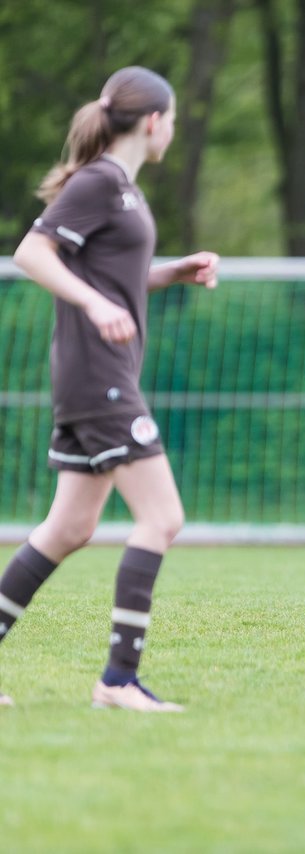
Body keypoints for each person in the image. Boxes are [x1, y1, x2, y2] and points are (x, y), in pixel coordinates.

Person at [0, 67, 219, 711]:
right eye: (172, 119)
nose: (172, 131)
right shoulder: (99, 182)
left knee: (69, 527)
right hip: (100, 380)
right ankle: (118, 681)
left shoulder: (122, 191)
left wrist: (172, 272)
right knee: (163, 517)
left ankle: (114, 682)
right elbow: (31, 254)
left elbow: (114, 275)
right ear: (153, 122)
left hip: (94, 379)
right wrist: (96, 306)